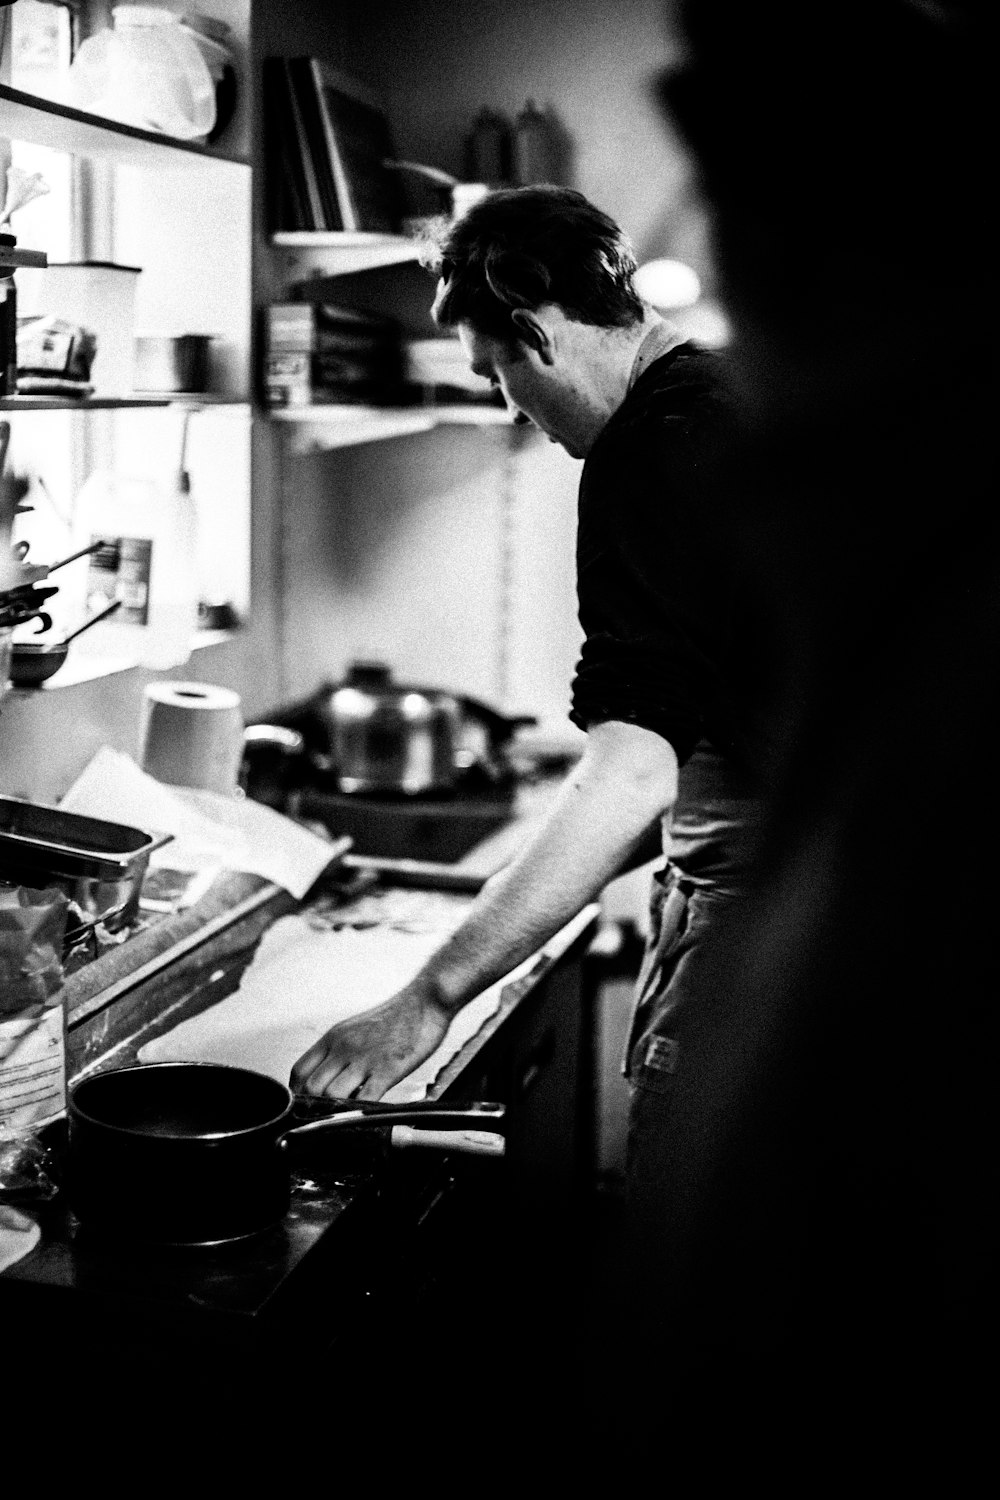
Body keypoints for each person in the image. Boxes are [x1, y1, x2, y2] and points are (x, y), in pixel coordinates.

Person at [291, 189, 777, 1226]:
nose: (511, 404)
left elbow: (636, 768)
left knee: (694, 1258)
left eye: (497, 372)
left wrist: (426, 996)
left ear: (534, 333)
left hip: (760, 932)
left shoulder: (650, 451)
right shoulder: (741, 397)